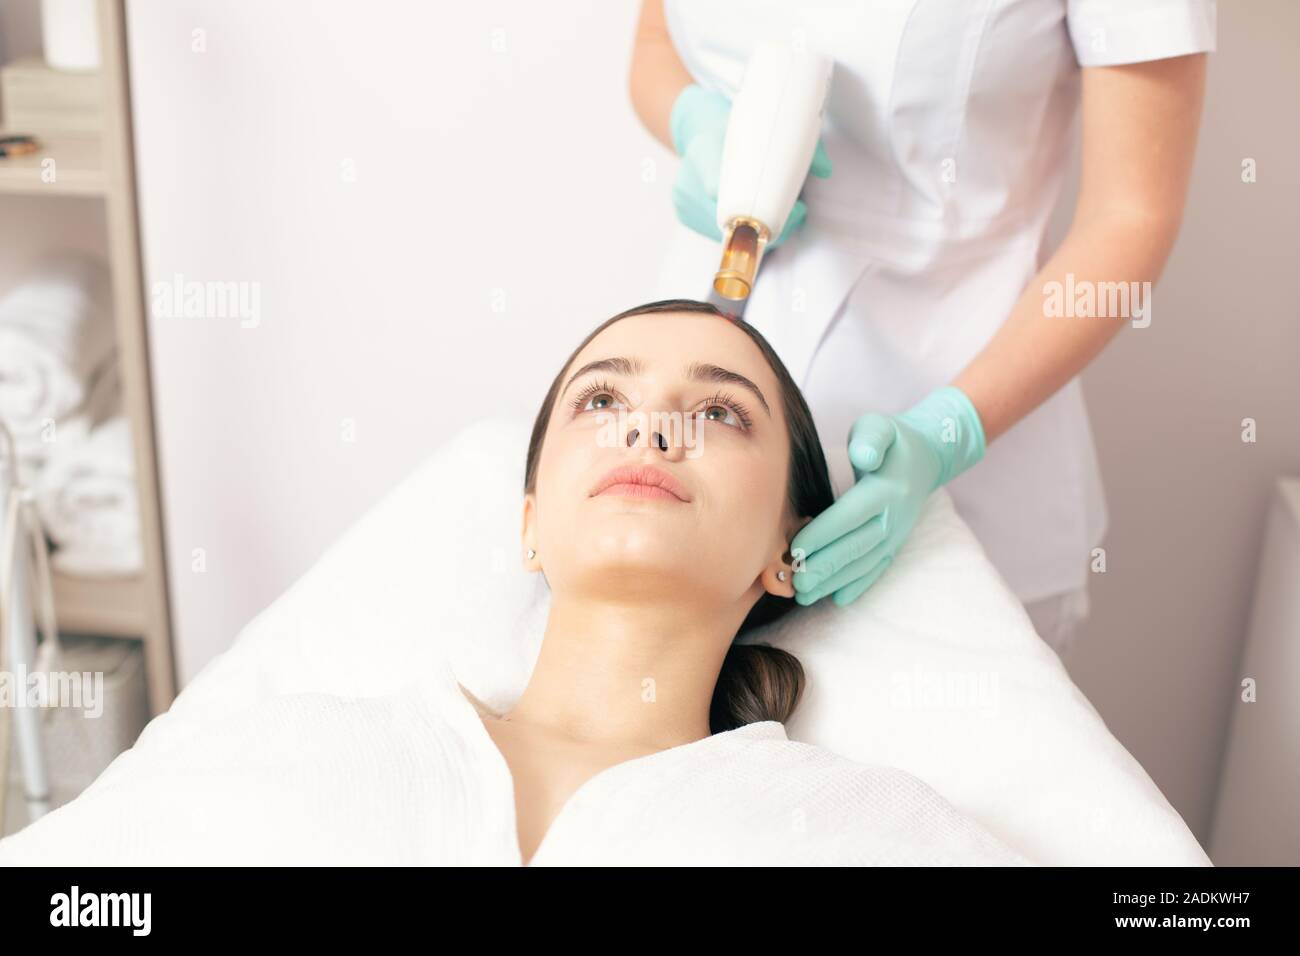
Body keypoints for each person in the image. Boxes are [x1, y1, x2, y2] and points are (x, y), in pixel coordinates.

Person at [630, 0, 1215, 661]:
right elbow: (657, 42)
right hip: (691, 409)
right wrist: (693, 122)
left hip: (960, 433)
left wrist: (950, 432)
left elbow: (1131, 215)